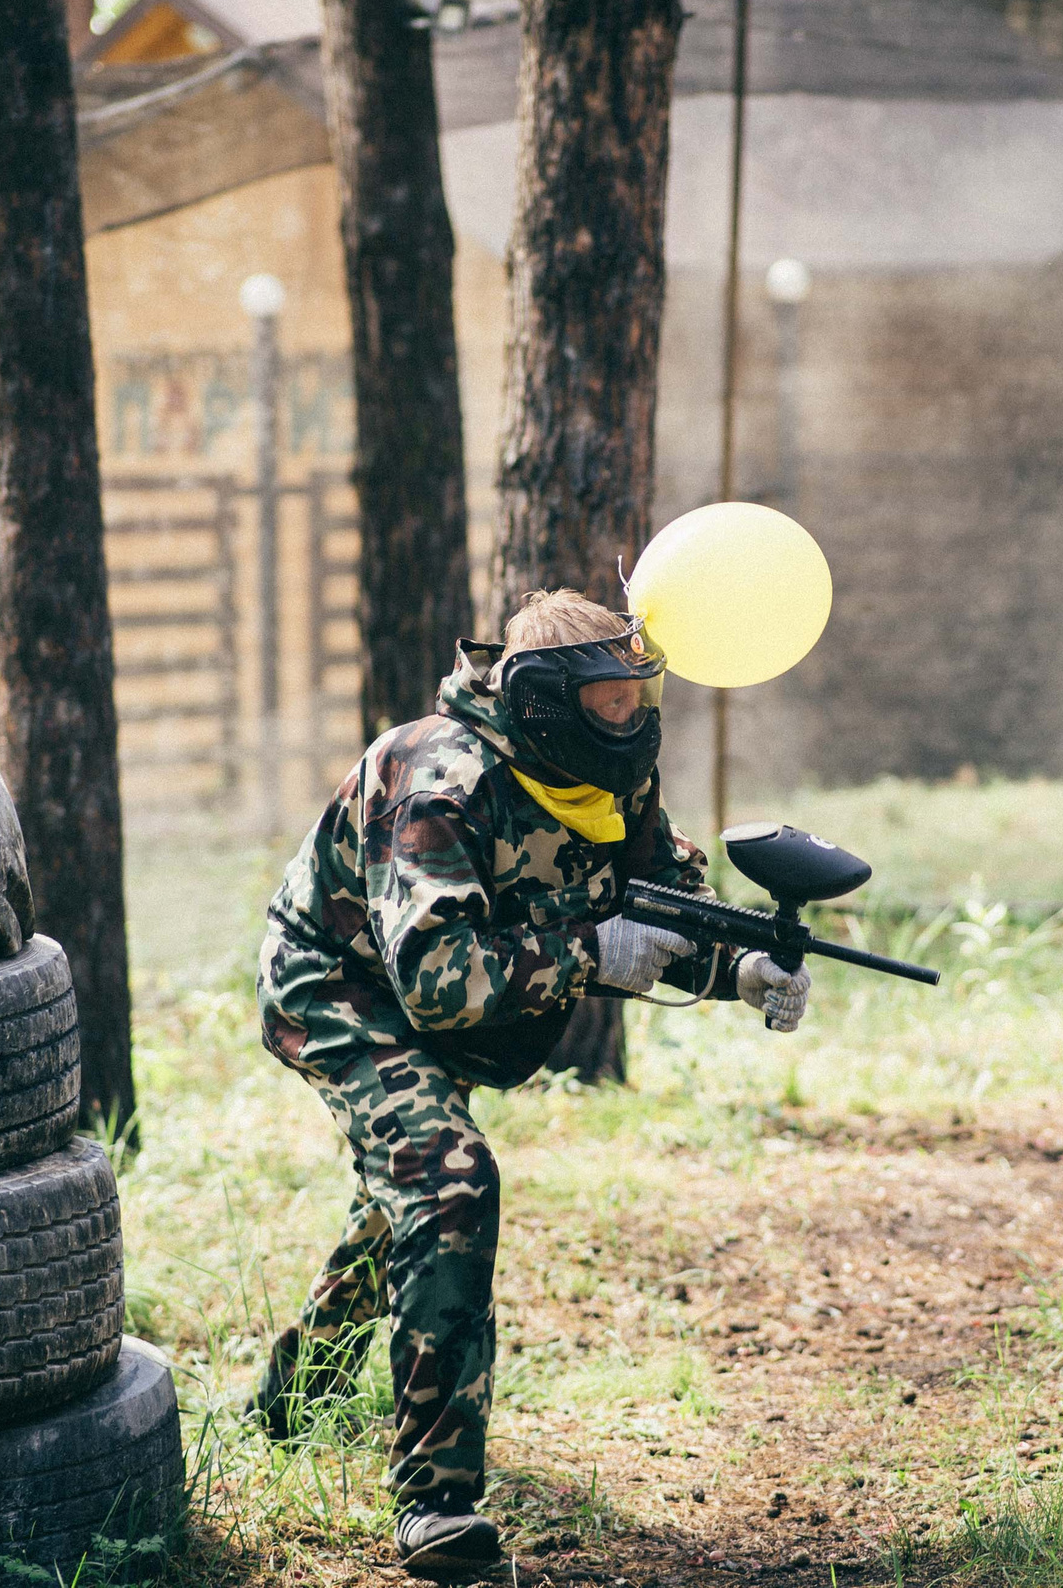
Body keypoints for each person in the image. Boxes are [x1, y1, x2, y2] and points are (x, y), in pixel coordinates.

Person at [250, 590, 811, 1576]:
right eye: (604, 701)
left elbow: (658, 909)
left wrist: (741, 969)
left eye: (635, 696)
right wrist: (592, 952)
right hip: (343, 986)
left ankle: (293, 1399)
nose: (627, 716)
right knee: (447, 1179)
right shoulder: (438, 783)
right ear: (549, 699)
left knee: (405, 1199)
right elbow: (438, 984)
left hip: (444, 984)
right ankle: (436, 1506)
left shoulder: (600, 773)